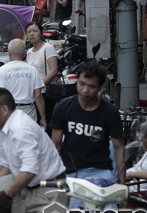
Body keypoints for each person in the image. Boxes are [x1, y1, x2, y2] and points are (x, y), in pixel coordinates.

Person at [0, 87, 66, 213]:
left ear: (4, 109)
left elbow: (29, 169)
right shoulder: (2, 130)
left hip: (53, 192)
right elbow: (4, 165)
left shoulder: (20, 129)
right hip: (31, 192)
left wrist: (7, 194)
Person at [50, 61, 125, 205]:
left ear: (100, 87)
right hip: (72, 172)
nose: (85, 90)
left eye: (91, 86)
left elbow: (119, 147)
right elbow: (56, 146)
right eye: (81, 83)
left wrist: (122, 181)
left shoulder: (110, 112)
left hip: (101, 172)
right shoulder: (63, 107)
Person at [0, 39, 46, 125]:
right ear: (25, 53)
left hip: (9, 112)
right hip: (29, 113)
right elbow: (38, 96)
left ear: (9, 52)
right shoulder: (33, 70)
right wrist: (43, 118)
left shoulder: (3, 70)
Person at [26, 21, 60, 121]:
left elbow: (54, 70)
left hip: (45, 93)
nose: (31, 34)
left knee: (46, 123)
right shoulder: (29, 52)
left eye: (35, 31)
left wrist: (39, 85)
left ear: (41, 33)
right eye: (29, 32)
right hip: (33, 95)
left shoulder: (48, 48)